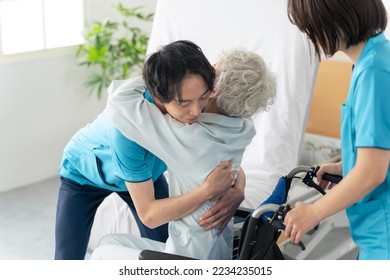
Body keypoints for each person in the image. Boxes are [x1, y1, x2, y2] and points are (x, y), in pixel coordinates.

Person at [55, 40, 245, 260]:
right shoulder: (127, 133)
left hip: (145, 173)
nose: (195, 111)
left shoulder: (196, 106)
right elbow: (149, 215)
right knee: (66, 259)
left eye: (203, 97)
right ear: (158, 97)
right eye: (183, 103)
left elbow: (219, 154)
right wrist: (206, 191)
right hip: (82, 173)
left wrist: (239, 188)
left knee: (164, 251)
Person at [90, 46, 276, 259]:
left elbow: (119, 100)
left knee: (102, 253)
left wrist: (166, 75)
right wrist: (240, 186)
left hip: (185, 257)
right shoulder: (244, 128)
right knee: (109, 242)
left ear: (215, 90)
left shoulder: (188, 136)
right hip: (217, 251)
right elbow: (230, 166)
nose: (194, 109)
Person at [284, 0, 390, 260]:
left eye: (310, 26)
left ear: (335, 18)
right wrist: (346, 165)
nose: (309, 35)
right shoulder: (374, 59)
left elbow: (372, 172)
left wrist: (314, 211)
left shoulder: (373, 72)